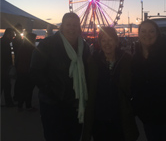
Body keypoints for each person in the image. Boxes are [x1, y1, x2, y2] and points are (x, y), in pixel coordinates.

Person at [30, 12, 90, 141]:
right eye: (68, 24)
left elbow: (88, 70)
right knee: (55, 136)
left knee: (74, 135)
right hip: (53, 104)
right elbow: (35, 70)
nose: (72, 28)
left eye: (75, 25)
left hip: (75, 103)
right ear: (62, 27)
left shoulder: (84, 47)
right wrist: (51, 92)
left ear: (79, 27)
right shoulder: (47, 44)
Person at [82, 27, 139, 141]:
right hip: (99, 119)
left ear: (116, 41)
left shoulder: (127, 60)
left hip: (121, 118)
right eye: (103, 40)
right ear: (100, 43)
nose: (107, 44)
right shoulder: (93, 61)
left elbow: (135, 86)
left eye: (110, 40)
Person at [15, 33, 37, 111]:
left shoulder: (22, 47)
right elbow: (33, 61)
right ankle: (28, 105)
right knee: (28, 89)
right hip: (28, 71)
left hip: (21, 71)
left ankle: (20, 105)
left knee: (22, 88)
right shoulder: (32, 48)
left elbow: (17, 59)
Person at [0, 28, 15, 107]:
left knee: (4, 85)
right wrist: (10, 65)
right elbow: (6, 57)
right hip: (4, 68)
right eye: (12, 34)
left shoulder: (3, 42)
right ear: (9, 34)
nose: (13, 36)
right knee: (6, 86)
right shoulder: (5, 43)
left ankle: (9, 102)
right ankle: (9, 103)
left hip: (3, 68)